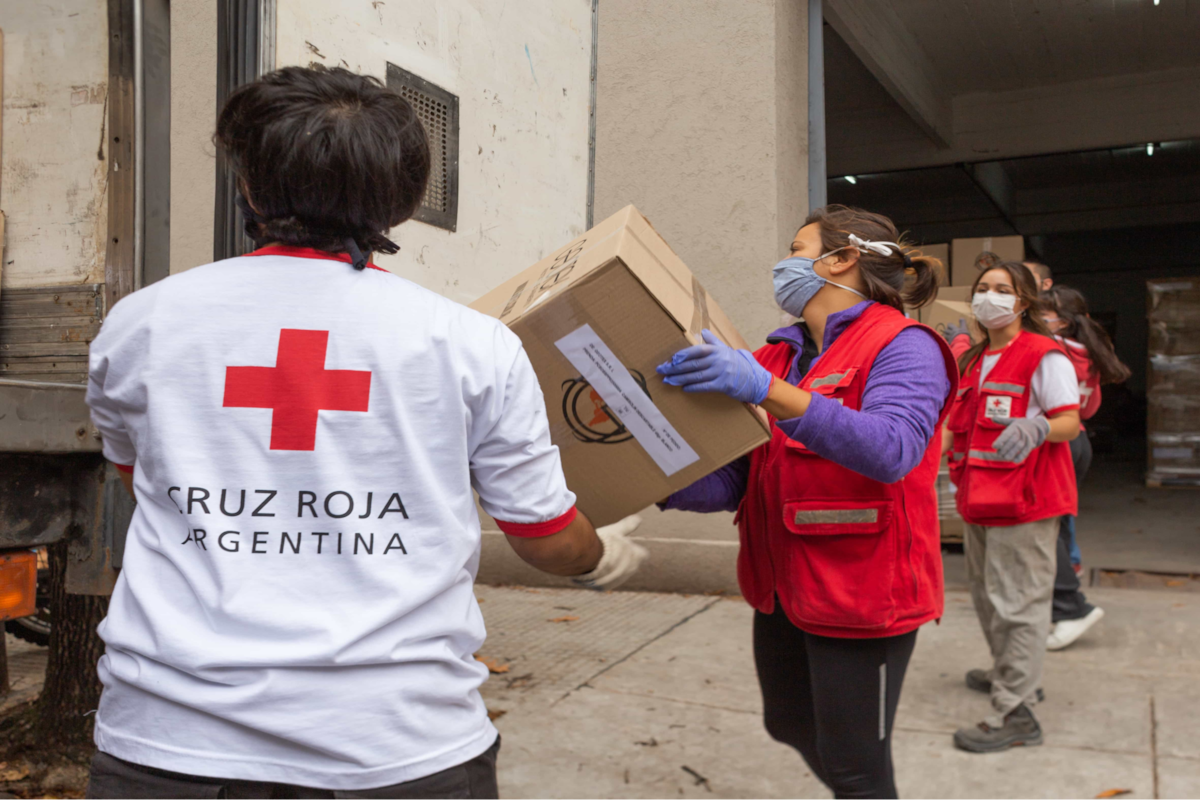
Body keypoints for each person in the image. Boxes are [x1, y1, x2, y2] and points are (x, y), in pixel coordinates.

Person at [83, 66, 646, 799]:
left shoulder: (141, 324)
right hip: (399, 743)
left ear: (247, 185)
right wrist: (597, 555)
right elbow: (545, 537)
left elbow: (145, 482)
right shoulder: (470, 343)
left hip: (171, 742)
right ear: (402, 202)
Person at [656, 205, 956, 800]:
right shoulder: (776, 357)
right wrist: (648, 475)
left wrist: (767, 391)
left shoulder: (904, 345)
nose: (783, 262)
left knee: (856, 769)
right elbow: (741, 478)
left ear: (841, 259)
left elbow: (892, 449)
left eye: (797, 248)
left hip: (863, 594)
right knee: (788, 724)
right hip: (783, 587)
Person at [943, 260, 1081, 753]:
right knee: (988, 600)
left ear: (1023, 302)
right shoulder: (974, 360)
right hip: (979, 499)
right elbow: (955, 427)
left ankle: (1016, 711)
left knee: (1017, 606)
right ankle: (1011, 673)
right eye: (983, 288)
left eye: (1002, 289)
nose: (990, 296)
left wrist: (1039, 426)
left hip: (1026, 501)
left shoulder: (1043, 356)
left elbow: (1069, 422)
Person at [1041, 285, 1130, 650]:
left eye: (1040, 313)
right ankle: (1062, 596)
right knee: (1058, 523)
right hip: (1078, 441)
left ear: (1061, 321)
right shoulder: (1086, 353)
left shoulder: (1049, 351)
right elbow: (1090, 409)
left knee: (1044, 526)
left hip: (1054, 443)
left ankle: (1071, 607)